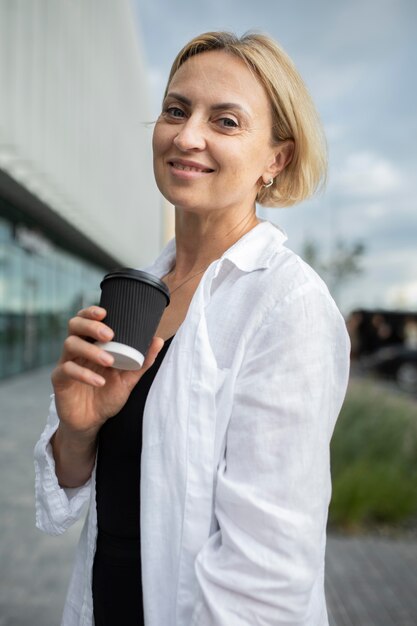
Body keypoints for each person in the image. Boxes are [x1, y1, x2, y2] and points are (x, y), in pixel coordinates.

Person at [34, 31, 350, 626]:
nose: (186, 135)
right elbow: (71, 501)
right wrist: (79, 432)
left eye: (225, 121)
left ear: (275, 159)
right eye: (175, 110)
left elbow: (267, 580)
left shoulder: (288, 305)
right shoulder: (137, 290)